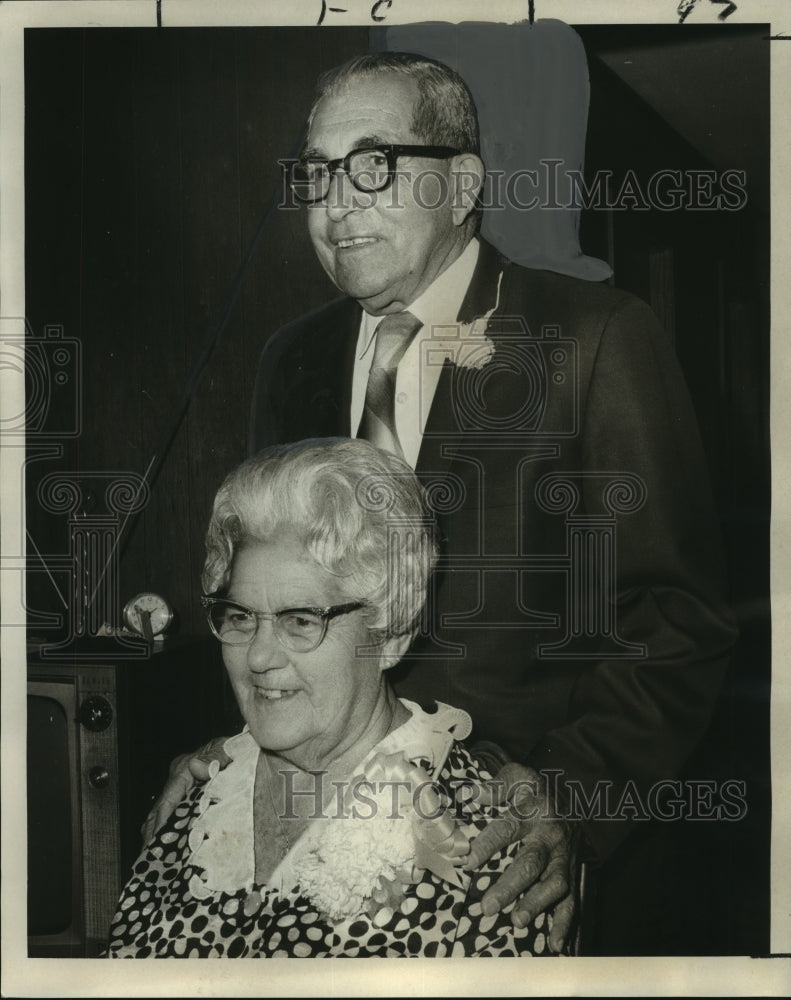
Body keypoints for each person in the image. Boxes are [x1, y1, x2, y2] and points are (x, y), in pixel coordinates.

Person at [149, 51, 737, 949]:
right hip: (327, 845)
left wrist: (573, 795)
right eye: (317, 174)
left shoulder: (596, 337)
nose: (337, 205)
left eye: (373, 167)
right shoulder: (291, 359)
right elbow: (281, 599)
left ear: (461, 184)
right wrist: (236, 752)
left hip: (509, 862)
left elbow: (679, 621)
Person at [108, 437, 569, 957]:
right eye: (240, 617)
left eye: (300, 621)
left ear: (391, 634)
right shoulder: (198, 803)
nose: (258, 657)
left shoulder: (485, 845)